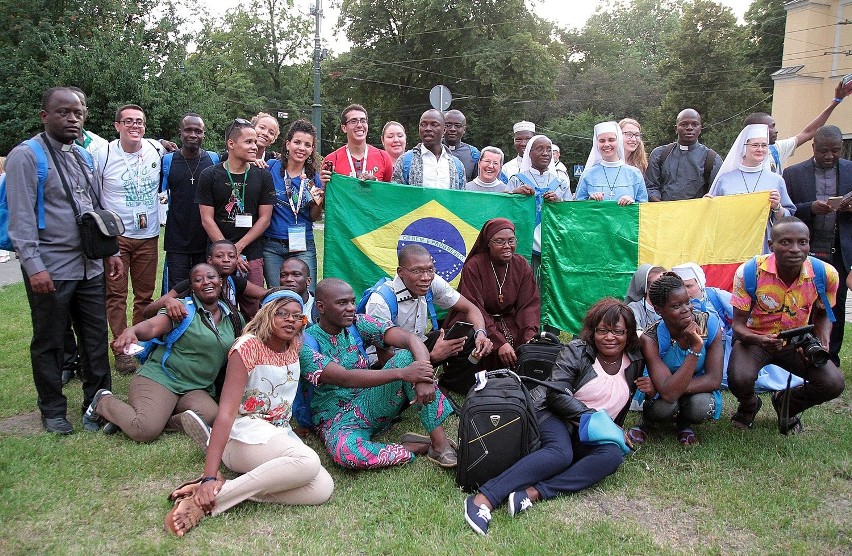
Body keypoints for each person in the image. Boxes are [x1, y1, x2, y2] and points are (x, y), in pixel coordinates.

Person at [463, 298, 643, 536]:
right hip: (551, 413)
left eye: (618, 331)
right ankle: (482, 500)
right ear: (593, 331)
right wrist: (601, 422)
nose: (610, 337)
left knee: (611, 456)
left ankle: (532, 493)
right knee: (561, 453)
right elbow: (556, 395)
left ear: (628, 334)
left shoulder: (635, 360)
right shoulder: (577, 350)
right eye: (603, 331)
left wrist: (608, 428)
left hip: (589, 429)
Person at [163, 289, 334, 537]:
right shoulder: (246, 348)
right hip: (243, 435)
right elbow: (225, 414)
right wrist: (210, 475)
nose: (291, 320)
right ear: (266, 314)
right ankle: (205, 500)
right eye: (282, 313)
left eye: (297, 316)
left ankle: (225, 490)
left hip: (277, 434)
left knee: (322, 488)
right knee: (307, 462)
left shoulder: (294, 344)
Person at [6, 87, 123, 434]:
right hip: (50, 268)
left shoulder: (84, 156)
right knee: (50, 340)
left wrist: (112, 250)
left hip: (89, 264)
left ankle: (98, 402)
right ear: (45, 116)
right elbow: (21, 218)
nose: (73, 118)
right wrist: (33, 266)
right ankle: (52, 409)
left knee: (94, 338)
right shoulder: (26, 156)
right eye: (64, 112)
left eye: (79, 112)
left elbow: (98, 209)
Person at [307, 278, 457, 469]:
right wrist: (404, 373)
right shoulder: (307, 343)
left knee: (406, 356)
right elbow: (344, 377)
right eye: (342, 303)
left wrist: (423, 375)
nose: (351, 308)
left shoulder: (357, 324)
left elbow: (410, 339)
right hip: (335, 420)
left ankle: (440, 445)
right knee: (347, 454)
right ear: (321, 307)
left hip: (370, 402)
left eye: (353, 301)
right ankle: (410, 447)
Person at [85, 264, 243, 441]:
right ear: (192, 287)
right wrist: (133, 332)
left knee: (211, 416)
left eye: (211, 277)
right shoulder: (182, 309)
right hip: (162, 379)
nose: (206, 282)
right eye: (198, 280)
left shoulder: (234, 317)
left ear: (220, 282)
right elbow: (152, 326)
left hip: (194, 387)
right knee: (144, 431)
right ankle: (103, 402)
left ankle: (135, 418)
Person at [727, 217, 845, 435]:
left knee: (833, 383)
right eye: (786, 242)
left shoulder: (826, 274)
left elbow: (823, 313)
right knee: (739, 378)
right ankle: (749, 406)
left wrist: (823, 340)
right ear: (771, 245)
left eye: (802, 242)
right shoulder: (750, 272)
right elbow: (738, 326)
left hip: (797, 341)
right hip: (756, 339)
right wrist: (758, 340)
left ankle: (786, 404)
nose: (795, 249)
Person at [95, 104, 164, 374]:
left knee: (145, 296)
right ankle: (121, 347)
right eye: (129, 122)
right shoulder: (103, 154)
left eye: (140, 121)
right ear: (117, 126)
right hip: (117, 236)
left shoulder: (155, 150)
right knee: (116, 294)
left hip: (148, 235)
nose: (135, 126)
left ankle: (139, 344)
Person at [439, 219, 540, 394]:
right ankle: (463, 382)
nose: (507, 246)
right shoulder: (474, 265)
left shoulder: (521, 264)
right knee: (474, 340)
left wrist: (528, 337)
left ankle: (515, 377)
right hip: (476, 319)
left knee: (524, 338)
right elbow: (473, 306)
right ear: (488, 243)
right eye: (499, 241)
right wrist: (499, 343)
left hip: (507, 319)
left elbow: (529, 305)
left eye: (511, 240)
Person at [671, 262, 803, 393]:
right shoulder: (674, 304)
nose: (686, 291)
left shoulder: (713, 295)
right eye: (681, 286)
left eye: (689, 286)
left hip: (721, 347)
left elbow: (743, 314)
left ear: (699, 283)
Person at [629, 272, 724, 447]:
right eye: (676, 306)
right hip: (662, 394)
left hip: (681, 389)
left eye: (687, 302)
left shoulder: (708, 325)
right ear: (659, 310)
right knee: (664, 407)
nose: (686, 309)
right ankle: (647, 423)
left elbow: (714, 379)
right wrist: (695, 350)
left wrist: (667, 387)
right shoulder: (651, 338)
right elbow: (668, 394)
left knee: (701, 406)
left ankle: (683, 424)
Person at [783, 125, 852, 367]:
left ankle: (830, 358)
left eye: (835, 151)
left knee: (836, 306)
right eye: (823, 151)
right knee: (803, 303)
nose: (830, 156)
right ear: (813, 148)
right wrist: (810, 208)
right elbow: (787, 211)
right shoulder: (793, 174)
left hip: (840, 251)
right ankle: (800, 356)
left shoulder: (851, 170)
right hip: (804, 252)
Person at [363, 244, 492, 371]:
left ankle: (448, 386)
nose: (425, 277)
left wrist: (480, 334)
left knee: (468, 336)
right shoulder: (380, 302)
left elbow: (471, 308)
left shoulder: (432, 281)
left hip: (418, 347)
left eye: (430, 269)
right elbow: (386, 362)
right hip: (386, 364)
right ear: (400, 272)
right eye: (417, 271)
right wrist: (433, 357)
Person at [196, 119, 276, 319]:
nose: (255, 146)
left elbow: (264, 219)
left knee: (253, 310)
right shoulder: (210, 175)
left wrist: (237, 249)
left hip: (252, 254)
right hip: (217, 255)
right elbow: (207, 219)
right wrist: (228, 254)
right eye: (248, 142)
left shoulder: (263, 176)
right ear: (231, 144)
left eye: (255, 141)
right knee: (218, 307)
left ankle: (252, 349)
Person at [707, 123, 795, 253]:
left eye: (764, 145)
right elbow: (713, 216)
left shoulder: (776, 180)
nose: (760, 149)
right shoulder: (725, 180)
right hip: (731, 243)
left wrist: (777, 207)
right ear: (744, 147)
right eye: (755, 145)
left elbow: (787, 219)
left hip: (762, 243)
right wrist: (707, 204)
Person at [262, 119, 324, 289]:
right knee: (278, 297)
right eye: (297, 142)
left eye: (307, 145)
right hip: (272, 245)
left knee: (307, 295)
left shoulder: (313, 179)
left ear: (312, 149)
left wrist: (319, 202)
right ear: (288, 144)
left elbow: (314, 217)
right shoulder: (271, 168)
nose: (301, 148)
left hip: (303, 245)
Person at [162, 113, 219, 291]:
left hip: (206, 240)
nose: (193, 134)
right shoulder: (168, 160)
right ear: (180, 133)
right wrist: (161, 141)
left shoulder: (214, 159)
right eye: (188, 130)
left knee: (205, 289)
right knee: (176, 291)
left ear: (204, 135)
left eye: (198, 131)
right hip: (177, 240)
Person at [144, 240, 266, 320]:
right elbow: (148, 312)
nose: (226, 260)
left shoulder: (234, 282)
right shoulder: (192, 284)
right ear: (209, 260)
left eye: (232, 256)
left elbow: (267, 294)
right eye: (219, 256)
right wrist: (167, 302)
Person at [743, 80, 847, 174]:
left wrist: (836, 102)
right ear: (756, 130)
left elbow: (809, 132)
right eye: (772, 126)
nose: (776, 131)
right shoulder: (737, 157)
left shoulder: (776, 149)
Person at [508, 134, 571, 275]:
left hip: (553, 245)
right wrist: (515, 194)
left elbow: (570, 214)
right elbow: (505, 209)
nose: (545, 153)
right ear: (529, 153)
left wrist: (559, 203)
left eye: (549, 150)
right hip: (524, 244)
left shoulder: (560, 183)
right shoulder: (517, 181)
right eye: (540, 149)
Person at [645, 108, 722, 201]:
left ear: (700, 129)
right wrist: (658, 203)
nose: (689, 128)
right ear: (676, 128)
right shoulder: (659, 154)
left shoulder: (712, 159)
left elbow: (716, 192)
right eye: (684, 124)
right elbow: (651, 186)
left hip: (698, 213)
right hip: (664, 212)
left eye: (695, 124)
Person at [575, 121, 648, 205]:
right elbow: (578, 209)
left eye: (611, 140)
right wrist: (590, 201)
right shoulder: (588, 174)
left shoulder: (635, 173)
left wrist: (632, 203)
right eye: (602, 141)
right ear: (597, 144)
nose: (606, 144)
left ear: (618, 141)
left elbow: (644, 209)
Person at [391, 109, 466, 189]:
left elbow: (460, 198)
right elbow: (396, 195)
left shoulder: (457, 165)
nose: (428, 129)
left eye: (434, 124)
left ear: (444, 130)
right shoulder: (405, 161)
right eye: (423, 124)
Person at [320, 104, 393, 183]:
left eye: (363, 121)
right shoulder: (332, 160)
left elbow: (389, 192)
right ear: (344, 128)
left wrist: (375, 182)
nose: (359, 125)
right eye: (353, 121)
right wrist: (323, 184)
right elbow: (324, 192)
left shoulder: (384, 157)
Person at [625, 264, 665, 332]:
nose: (664, 288)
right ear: (646, 288)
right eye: (658, 284)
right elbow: (636, 334)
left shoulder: (671, 307)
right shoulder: (634, 308)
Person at [443, 109, 481, 181]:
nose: (452, 129)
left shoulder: (473, 154)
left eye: (457, 126)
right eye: (448, 125)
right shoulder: (432, 149)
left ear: (464, 129)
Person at [279, 258, 316, 324]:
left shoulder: (321, 307)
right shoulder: (272, 306)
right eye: (283, 275)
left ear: (308, 281)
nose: (289, 279)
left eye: (296, 275)